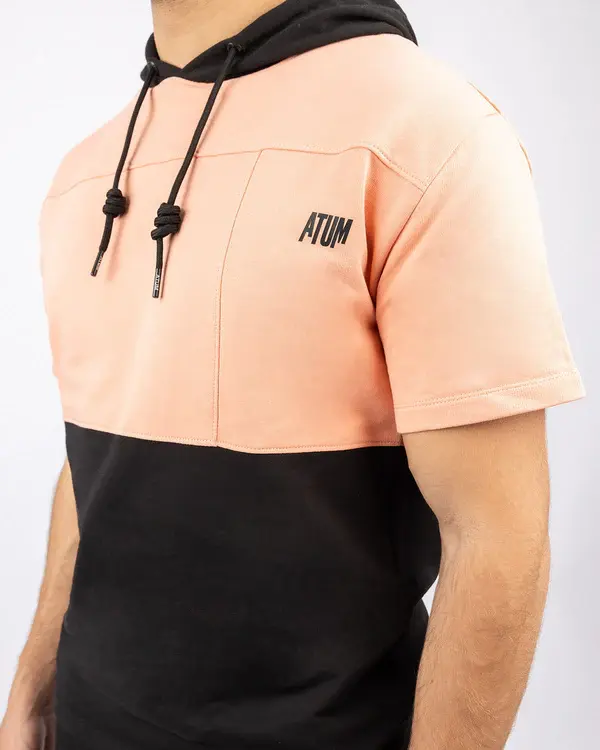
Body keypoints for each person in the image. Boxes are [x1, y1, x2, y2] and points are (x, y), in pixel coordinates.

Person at [0, 1, 586, 748]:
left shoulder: (427, 131)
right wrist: (34, 684)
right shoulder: (89, 169)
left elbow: (496, 533)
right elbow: (95, 459)